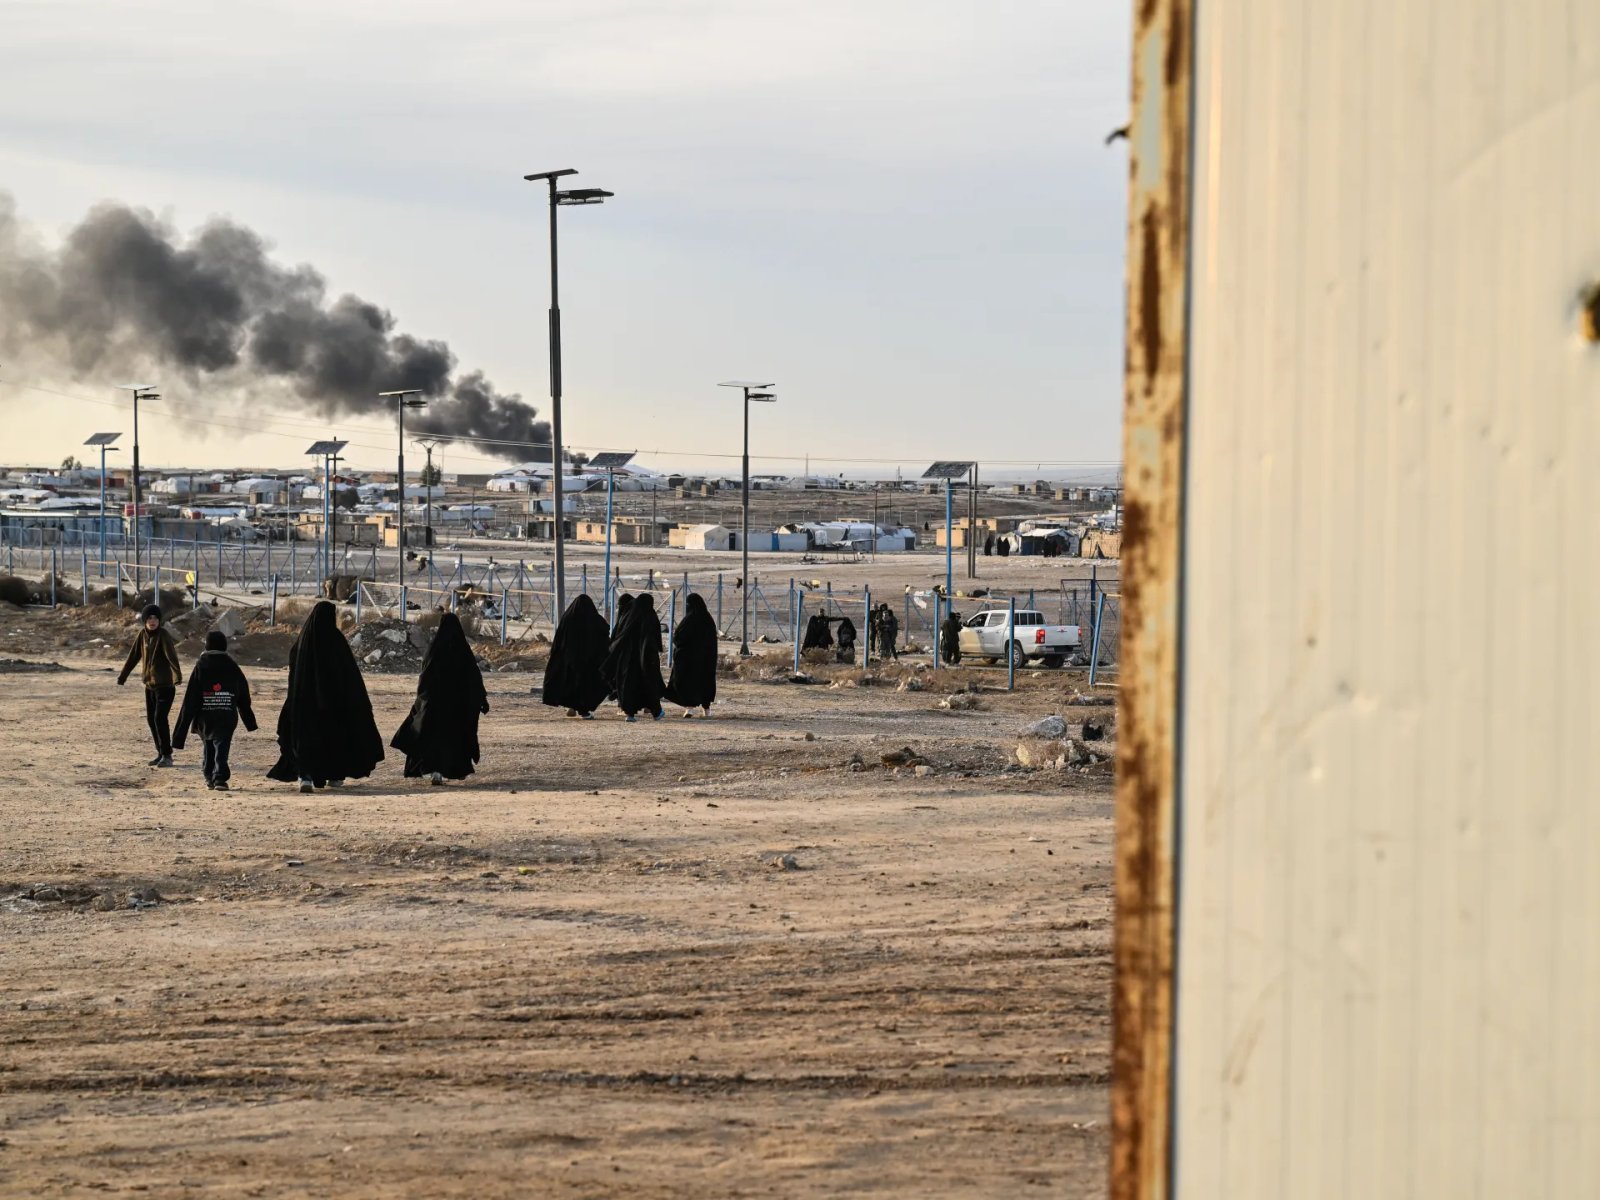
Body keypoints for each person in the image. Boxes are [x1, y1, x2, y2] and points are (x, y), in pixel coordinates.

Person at [266, 600, 384, 793]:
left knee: (306, 740)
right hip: (333, 704)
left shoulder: (302, 642)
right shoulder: (336, 641)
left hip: (304, 702)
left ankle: (305, 776)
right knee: (333, 739)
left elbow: (294, 675)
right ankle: (334, 775)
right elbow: (349, 674)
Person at [391, 612, 488, 785]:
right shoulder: (463, 650)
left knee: (431, 736)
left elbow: (425, 675)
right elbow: (474, 678)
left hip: (434, 703)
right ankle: (452, 769)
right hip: (457, 705)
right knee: (454, 738)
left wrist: (422, 698)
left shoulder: (434, 649)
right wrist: (481, 699)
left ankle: (434, 770)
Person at [172, 630, 257, 791]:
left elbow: (191, 698)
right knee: (222, 746)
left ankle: (209, 776)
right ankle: (219, 778)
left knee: (209, 745)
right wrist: (249, 721)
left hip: (205, 716)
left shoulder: (201, 665)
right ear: (224, 646)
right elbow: (243, 694)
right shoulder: (232, 665)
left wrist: (179, 734)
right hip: (226, 714)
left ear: (207, 645)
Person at [117, 603, 183, 768]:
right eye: (149, 618)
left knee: (159, 718)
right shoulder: (142, 635)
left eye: (155, 618)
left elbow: (171, 656)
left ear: (159, 620)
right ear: (145, 620)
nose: (152, 621)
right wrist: (123, 676)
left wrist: (177, 676)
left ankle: (167, 755)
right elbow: (133, 656)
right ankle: (160, 753)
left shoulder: (163, 635)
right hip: (150, 686)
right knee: (151, 720)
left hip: (165, 686)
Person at [543, 593, 611, 719]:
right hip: (589, 661)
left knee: (571, 682)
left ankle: (573, 706)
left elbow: (558, 639)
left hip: (569, 659)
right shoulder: (594, 619)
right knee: (585, 685)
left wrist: (557, 656)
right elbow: (604, 634)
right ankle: (583, 711)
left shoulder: (567, 618)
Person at [602, 592, 666, 721]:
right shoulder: (650, 616)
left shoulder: (629, 617)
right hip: (646, 658)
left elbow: (619, 635)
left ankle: (629, 714)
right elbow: (654, 636)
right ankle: (656, 712)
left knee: (628, 685)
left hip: (628, 658)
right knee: (649, 683)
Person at [665, 592, 718, 717]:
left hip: (689, 661)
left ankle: (689, 708)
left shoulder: (689, 620)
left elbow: (679, 638)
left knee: (689, 683)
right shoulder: (708, 620)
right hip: (706, 660)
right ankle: (707, 710)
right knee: (705, 683)